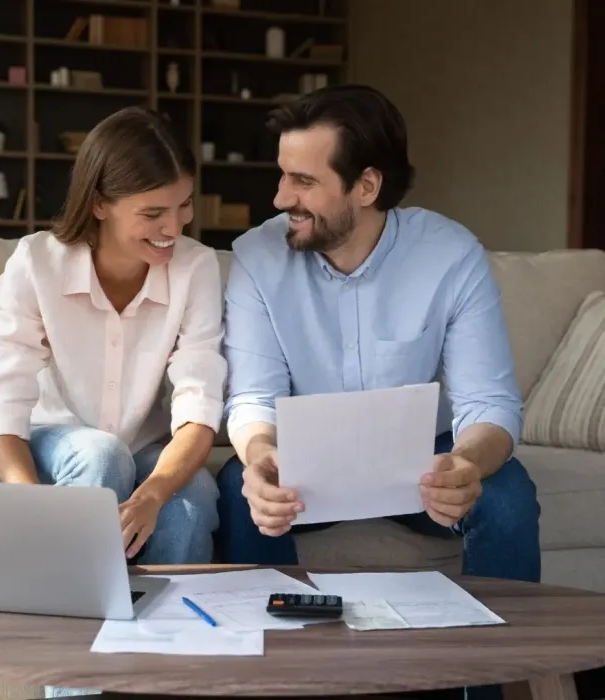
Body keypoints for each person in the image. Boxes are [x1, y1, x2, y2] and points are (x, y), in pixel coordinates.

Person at [216, 84, 541, 585]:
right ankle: (260, 652)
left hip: (423, 463)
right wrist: (262, 456)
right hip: (305, 460)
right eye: (283, 176)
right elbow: (255, 397)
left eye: (303, 181)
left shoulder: (451, 256)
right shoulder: (258, 258)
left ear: (366, 186)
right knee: (239, 488)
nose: (282, 198)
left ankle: (508, 661)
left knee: (508, 496)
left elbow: (489, 403)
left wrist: (466, 464)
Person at [0, 107, 225, 584]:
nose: (174, 228)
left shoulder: (197, 268)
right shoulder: (37, 262)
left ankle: (169, 639)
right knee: (102, 455)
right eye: (152, 213)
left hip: (143, 447)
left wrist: (154, 494)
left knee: (193, 494)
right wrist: (25, 500)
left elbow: (200, 399)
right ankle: (68, 619)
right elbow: (4, 398)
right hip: (39, 441)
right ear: (99, 203)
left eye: (184, 205)